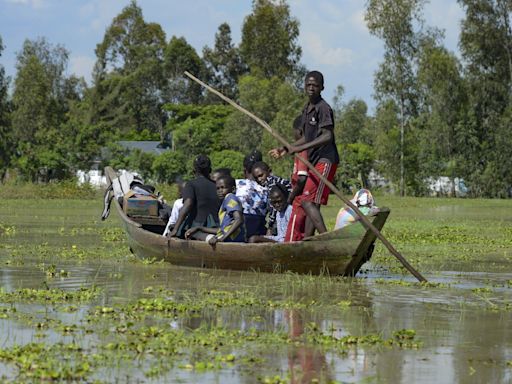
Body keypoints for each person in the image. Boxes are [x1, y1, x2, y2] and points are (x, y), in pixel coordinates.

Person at [270, 70, 339, 238]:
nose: (311, 88)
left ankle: (325, 239)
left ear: (322, 87)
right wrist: (286, 149)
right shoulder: (307, 109)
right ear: (304, 86)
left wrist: (303, 147)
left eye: (315, 85)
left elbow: (328, 136)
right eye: (308, 85)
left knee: (308, 201)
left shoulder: (323, 108)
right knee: (312, 202)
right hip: (315, 162)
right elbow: (307, 137)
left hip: (325, 160)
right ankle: (308, 240)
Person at [167, 154, 220, 238]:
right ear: (210, 170)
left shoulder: (191, 184)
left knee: (173, 228)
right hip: (215, 227)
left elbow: (188, 204)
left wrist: (175, 229)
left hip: (196, 226)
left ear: (193, 171)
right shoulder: (217, 186)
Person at [185, 174, 246, 245]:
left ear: (232, 189)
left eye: (223, 187)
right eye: (218, 188)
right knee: (197, 232)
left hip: (232, 240)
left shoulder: (230, 197)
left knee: (197, 235)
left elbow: (239, 220)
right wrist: (199, 228)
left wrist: (222, 238)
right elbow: (221, 230)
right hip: (228, 237)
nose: (220, 191)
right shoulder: (225, 201)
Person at [285, 116, 309, 242]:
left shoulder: (303, 151)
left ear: (299, 132)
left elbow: (302, 179)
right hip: (302, 200)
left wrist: (290, 198)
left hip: (299, 201)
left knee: (292, 234)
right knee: (300, 233)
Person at [251, 161, 292, 235]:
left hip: (283, 213)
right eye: (256, 178)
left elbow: (273, 208)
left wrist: (270, 225)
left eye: (261, 175)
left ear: (268, 171)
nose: (259, 179)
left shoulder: (272, 184)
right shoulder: (276, 180)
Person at [235, 150, 268, 238]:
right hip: (259, 232)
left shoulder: (236, 185)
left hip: (239, 232)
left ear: (244, 170)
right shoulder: (266, 189)